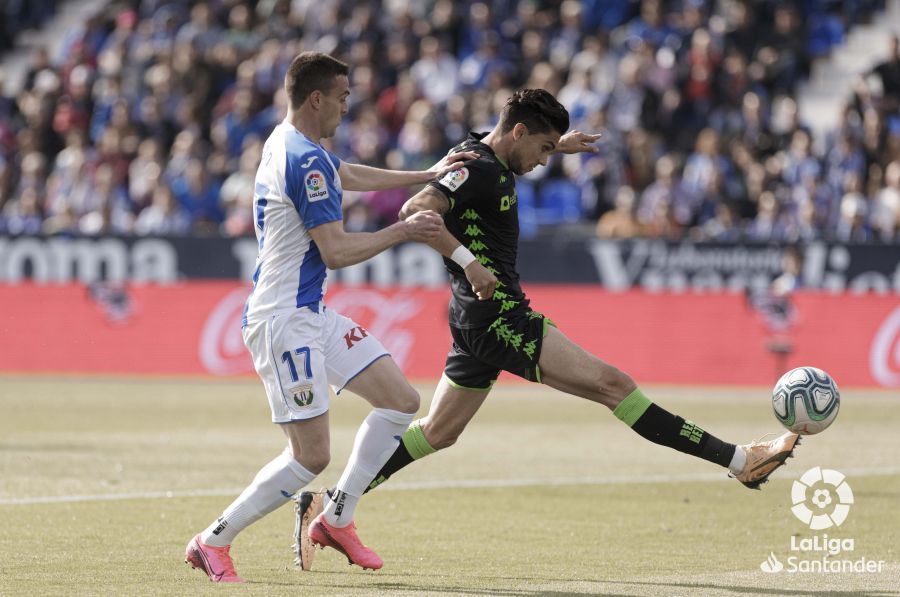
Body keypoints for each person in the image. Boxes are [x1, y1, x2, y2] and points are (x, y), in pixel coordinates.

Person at [295, 89, 801, 569]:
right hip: (498, 316)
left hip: (475, 314)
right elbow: (415, 210)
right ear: (517, 132)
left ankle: (333, 505)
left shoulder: (480, 154)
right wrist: (468, 261)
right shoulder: (476, 171)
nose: (542, 160)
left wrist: (560, 144)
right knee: (614, 386)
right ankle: (739, 461)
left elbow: (502, 159)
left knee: (439, 432)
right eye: (539, 148)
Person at [184, 52, 475, 583]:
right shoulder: (303, 159)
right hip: (282, 320)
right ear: (316, 98)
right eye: (342, 97)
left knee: (401, 401)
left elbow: (348, 173)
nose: (347, 105)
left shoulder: (289, 141)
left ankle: (336, 519)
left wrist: (426, 174)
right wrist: (405, 231)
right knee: (311, 456)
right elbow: (337, 251)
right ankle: (213, 539)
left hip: (309, 312)